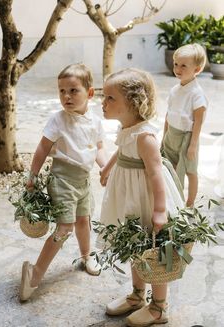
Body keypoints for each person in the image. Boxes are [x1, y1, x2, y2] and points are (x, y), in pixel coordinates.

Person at [98, 68, 184, 327]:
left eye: (110, 98)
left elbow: (156, 173)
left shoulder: (145, 136)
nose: (103, 102)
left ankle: (159, 307)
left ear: (132, 104)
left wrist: (159, 209)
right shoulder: (127, 127)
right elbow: (122, 147)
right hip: (128, 195)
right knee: (134, 244)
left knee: (153, 250)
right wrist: (108, 166)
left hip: (146, 197)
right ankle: (137, 295)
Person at [19, 63, 107, 302]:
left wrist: (107, 168)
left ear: (89, 93)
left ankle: (87, 255)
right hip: (62, 178)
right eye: (61, 91)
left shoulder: (96, 121)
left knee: (83, 220)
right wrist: (32, 177)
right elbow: (42, 148)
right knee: (64, 227)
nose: (66, 96)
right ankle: (35, 274)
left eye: (73, 90)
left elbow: (98, 149)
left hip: (83, 180)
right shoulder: (58, 119)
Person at [161, 43, 208, 207]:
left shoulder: (196, 94)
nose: (177, 69)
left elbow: (198, 121)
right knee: (171, 167)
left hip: (188, 138)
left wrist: (193, 145)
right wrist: (164, 135)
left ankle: (190, 203)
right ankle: (175, 199)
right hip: (172, 135)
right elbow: (169, 114)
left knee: (190, 170)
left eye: (183, 66)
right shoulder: (175, 90)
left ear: (197, 69)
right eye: (176, 64)